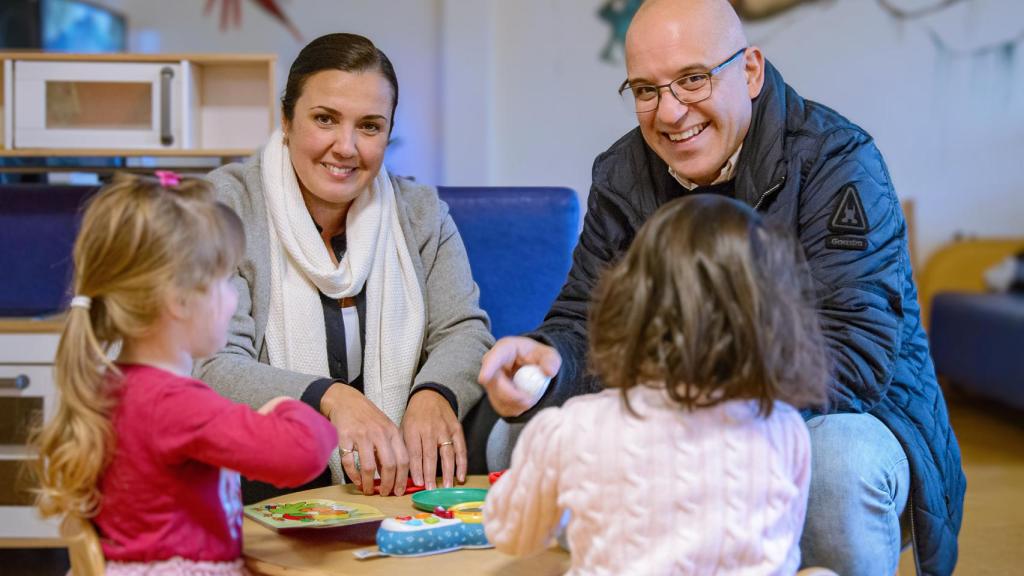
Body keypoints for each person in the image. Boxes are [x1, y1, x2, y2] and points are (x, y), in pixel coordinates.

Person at [478, 1, 965, 574]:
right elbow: (586, 312)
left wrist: (699, 411)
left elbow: (854, 351)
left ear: (750, 70)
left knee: (837, 463)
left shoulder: (838, 160)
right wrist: (549, 358)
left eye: (692, 79)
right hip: (674, 402)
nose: (670, 111)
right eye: (645, 90)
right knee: (512, 444)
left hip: (835, 410)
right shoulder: (621, 173)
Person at [200, 33, 493, 500]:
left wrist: (435, 394)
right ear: (286, 119)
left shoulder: (420, 213)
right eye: (325, 119)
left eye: (370, 126)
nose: (346, 147)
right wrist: (333, 399)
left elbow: (463, 330)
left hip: (400, 461)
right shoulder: (224, 207)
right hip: (270, 463)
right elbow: (212, 365)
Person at [485, 195, 829, 574]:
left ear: (627, 303)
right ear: (773, 320)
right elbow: (783, 546)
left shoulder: (572, 428)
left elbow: (511, 535)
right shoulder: (784, 428)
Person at [32, 175, 337, 575]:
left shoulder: (115, 388)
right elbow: (301, 455)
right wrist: (288, 407)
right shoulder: (178, 405)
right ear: (178, 301)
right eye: (225, 283)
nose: (233, 301)